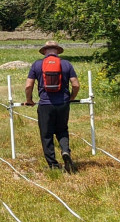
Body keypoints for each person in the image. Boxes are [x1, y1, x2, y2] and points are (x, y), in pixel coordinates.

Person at [24, 40, 80, 173]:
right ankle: (65, 151)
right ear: (57, 51)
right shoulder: (66, 64)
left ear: (44, 51)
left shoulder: (37, 65)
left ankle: (54, 165)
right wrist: (71, 97)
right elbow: (76, 84)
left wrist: (29, 99)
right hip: (63, 104)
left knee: (46, 134)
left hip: (45, 105)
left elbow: (28, 85)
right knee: (62, 130)